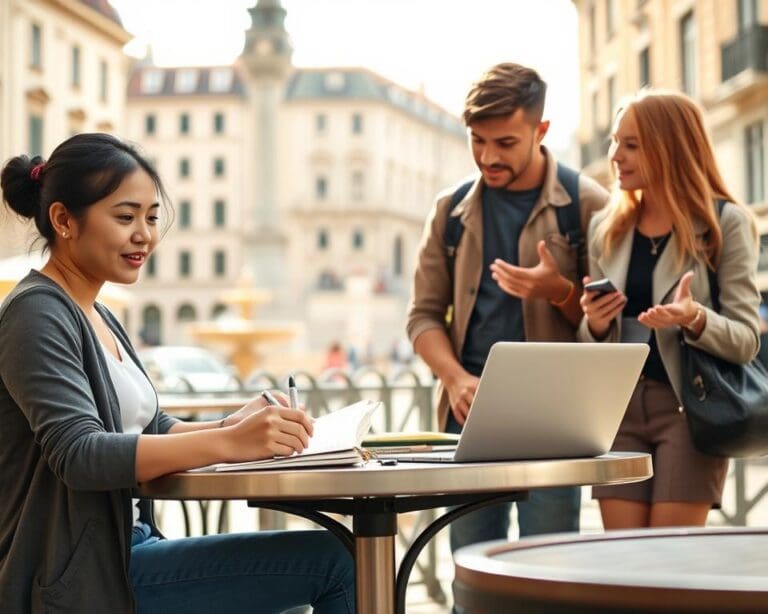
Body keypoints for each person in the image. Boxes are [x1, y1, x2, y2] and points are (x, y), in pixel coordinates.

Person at [0, 133, 354, 613]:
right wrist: (230, 444)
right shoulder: (36, 313)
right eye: (125, 217)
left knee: (305, 576)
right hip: (78, 577)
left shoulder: (98, 314)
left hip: (130, 548)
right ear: (64, 219)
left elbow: (154, 429)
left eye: (150, 217)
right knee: (334, 563)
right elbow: (79, 454)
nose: (144, 234)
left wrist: (232, 425)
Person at [406, 63, 609, 608]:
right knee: (472, 582)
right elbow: (422, 317)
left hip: (555, 425)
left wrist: (559, 292)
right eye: (477, 141)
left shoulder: (588, 205)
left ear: (541, 131)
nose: (488, 157)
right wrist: (454, 379)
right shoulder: (449, 210)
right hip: (466, 425)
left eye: (505, 142)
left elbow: (610, 330)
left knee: (553, 577)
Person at [578, 90, 761, 529]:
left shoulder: (724, 224)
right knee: (623, 562)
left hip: (689, 409)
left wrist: (695, 317)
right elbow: (592, 341)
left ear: (670, 147)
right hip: (617, 412)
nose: (614, 156)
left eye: (631, 144)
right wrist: (596, 324)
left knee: (666, 561)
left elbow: (747, 340)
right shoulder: (606, 229)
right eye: (614, 142)